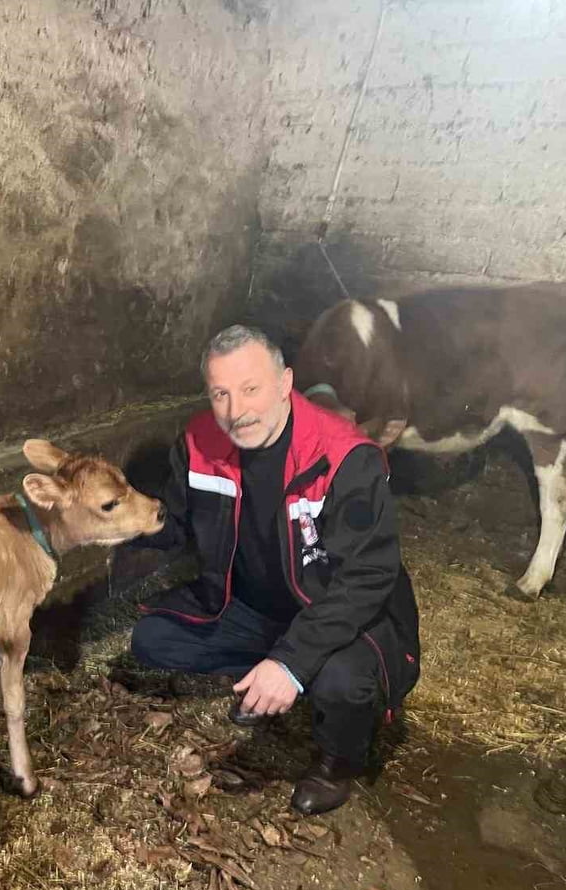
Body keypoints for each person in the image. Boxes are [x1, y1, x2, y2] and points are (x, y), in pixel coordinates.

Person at [129, 325, 420, 815]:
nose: (235, 410)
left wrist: (290, 661)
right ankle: (282, 673)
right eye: (220, 393)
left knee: (343, 681)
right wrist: (117, 514)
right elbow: (173, 525)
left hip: (340, 614)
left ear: (286, 383)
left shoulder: (345, 456)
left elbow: (366, 578)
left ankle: (335, 762)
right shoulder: (200, 442)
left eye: (250, 389)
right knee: (153, 640)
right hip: (254, 608)